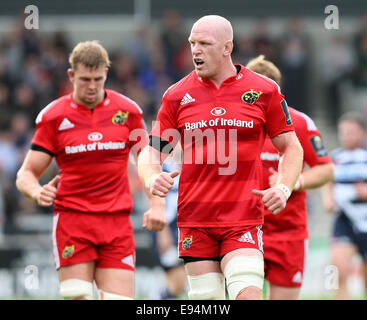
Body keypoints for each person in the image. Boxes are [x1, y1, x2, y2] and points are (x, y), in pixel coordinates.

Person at [137, 15, 303, 300]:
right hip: (195, 221)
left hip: (243, 220)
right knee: (207, 303)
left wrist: (284, 187)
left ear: (228, 47)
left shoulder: (264, 90)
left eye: (204, 43)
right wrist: (152, 177)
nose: (195, 50)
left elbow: (291, 147)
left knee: (248, 295)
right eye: (192, 43)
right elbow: (150, 151)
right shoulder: (176, 95)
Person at [15, 40, 165, 300]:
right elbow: (25, 174)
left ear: (106, 73)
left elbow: (147, 159)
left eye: (98, 78)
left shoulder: (128, 111)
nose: (92, 86)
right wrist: (36, 192)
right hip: (73, 222)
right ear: (71, 75)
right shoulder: (53, 117)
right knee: (78, 296)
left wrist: (157, 204)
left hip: (116, 223)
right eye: (85, 79)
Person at [246, 55, 334, 299]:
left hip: (288, 234)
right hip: (245, 231)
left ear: (277, 91)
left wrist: (292, 182)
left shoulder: (299, 123)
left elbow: (326, 169)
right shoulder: (236, 124)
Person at [323, 112, 367, 299]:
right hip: (345, 220)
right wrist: (328, 198)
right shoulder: (334, 158)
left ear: (362, 133)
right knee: (337, 269)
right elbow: (327, 179)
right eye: (344, 132)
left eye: (351, 132)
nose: (347, 136)